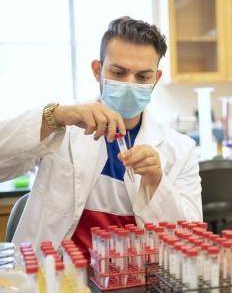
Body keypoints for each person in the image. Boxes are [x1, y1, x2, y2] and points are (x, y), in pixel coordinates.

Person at [0, 16, 202, 257]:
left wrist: (157, 181)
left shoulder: (180, 149)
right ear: (97, 70)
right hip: (56, 278)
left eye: (142, 77)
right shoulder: (63, 127)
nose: (129, 83)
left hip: (131, 280)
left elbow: (190, 240)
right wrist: (55, 116)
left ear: (156, 79)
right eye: (118, 72)